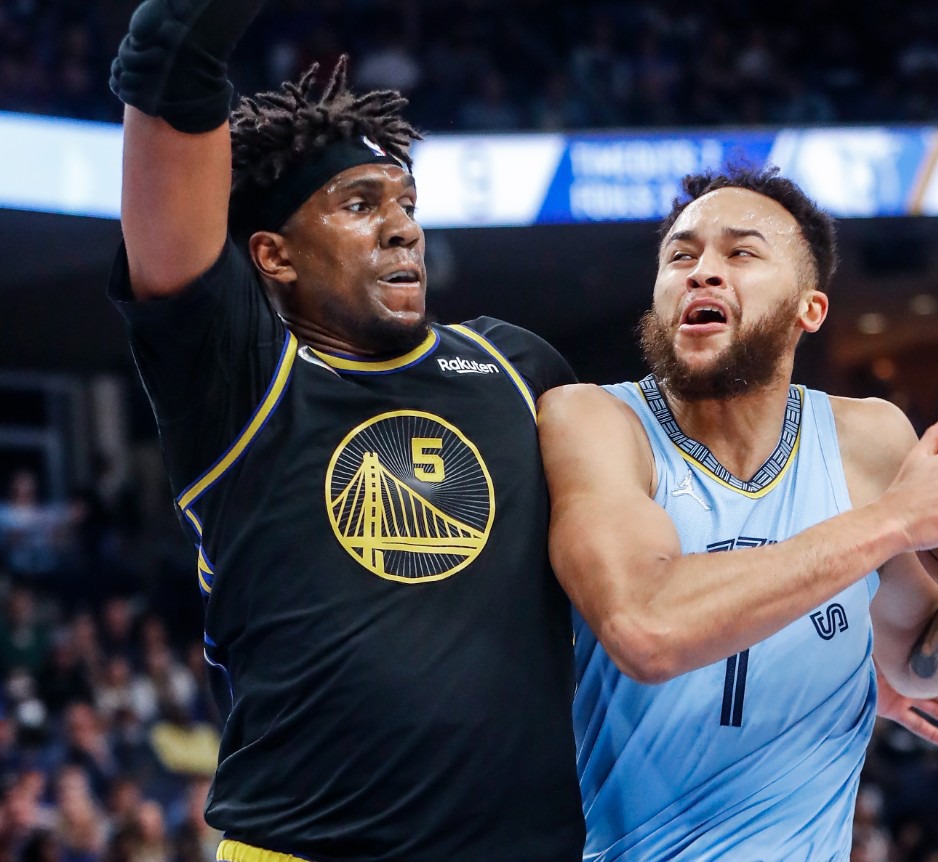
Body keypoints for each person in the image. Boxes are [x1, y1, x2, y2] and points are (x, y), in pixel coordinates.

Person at [537, 165, 938, 860]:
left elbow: (916, 658)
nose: (701, 271)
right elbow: (646, 628)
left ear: (808, 309)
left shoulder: (871, 439)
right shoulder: (594, 418)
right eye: (681, 254)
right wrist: (899, 518)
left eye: (740, 253)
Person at [106, 1, 582, 859]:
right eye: (360, 204)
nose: (403, 225)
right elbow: (167, 64)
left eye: (405, 201)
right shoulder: (238, 380)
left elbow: (653, 556)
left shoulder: (519, 366)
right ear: (273, 256)